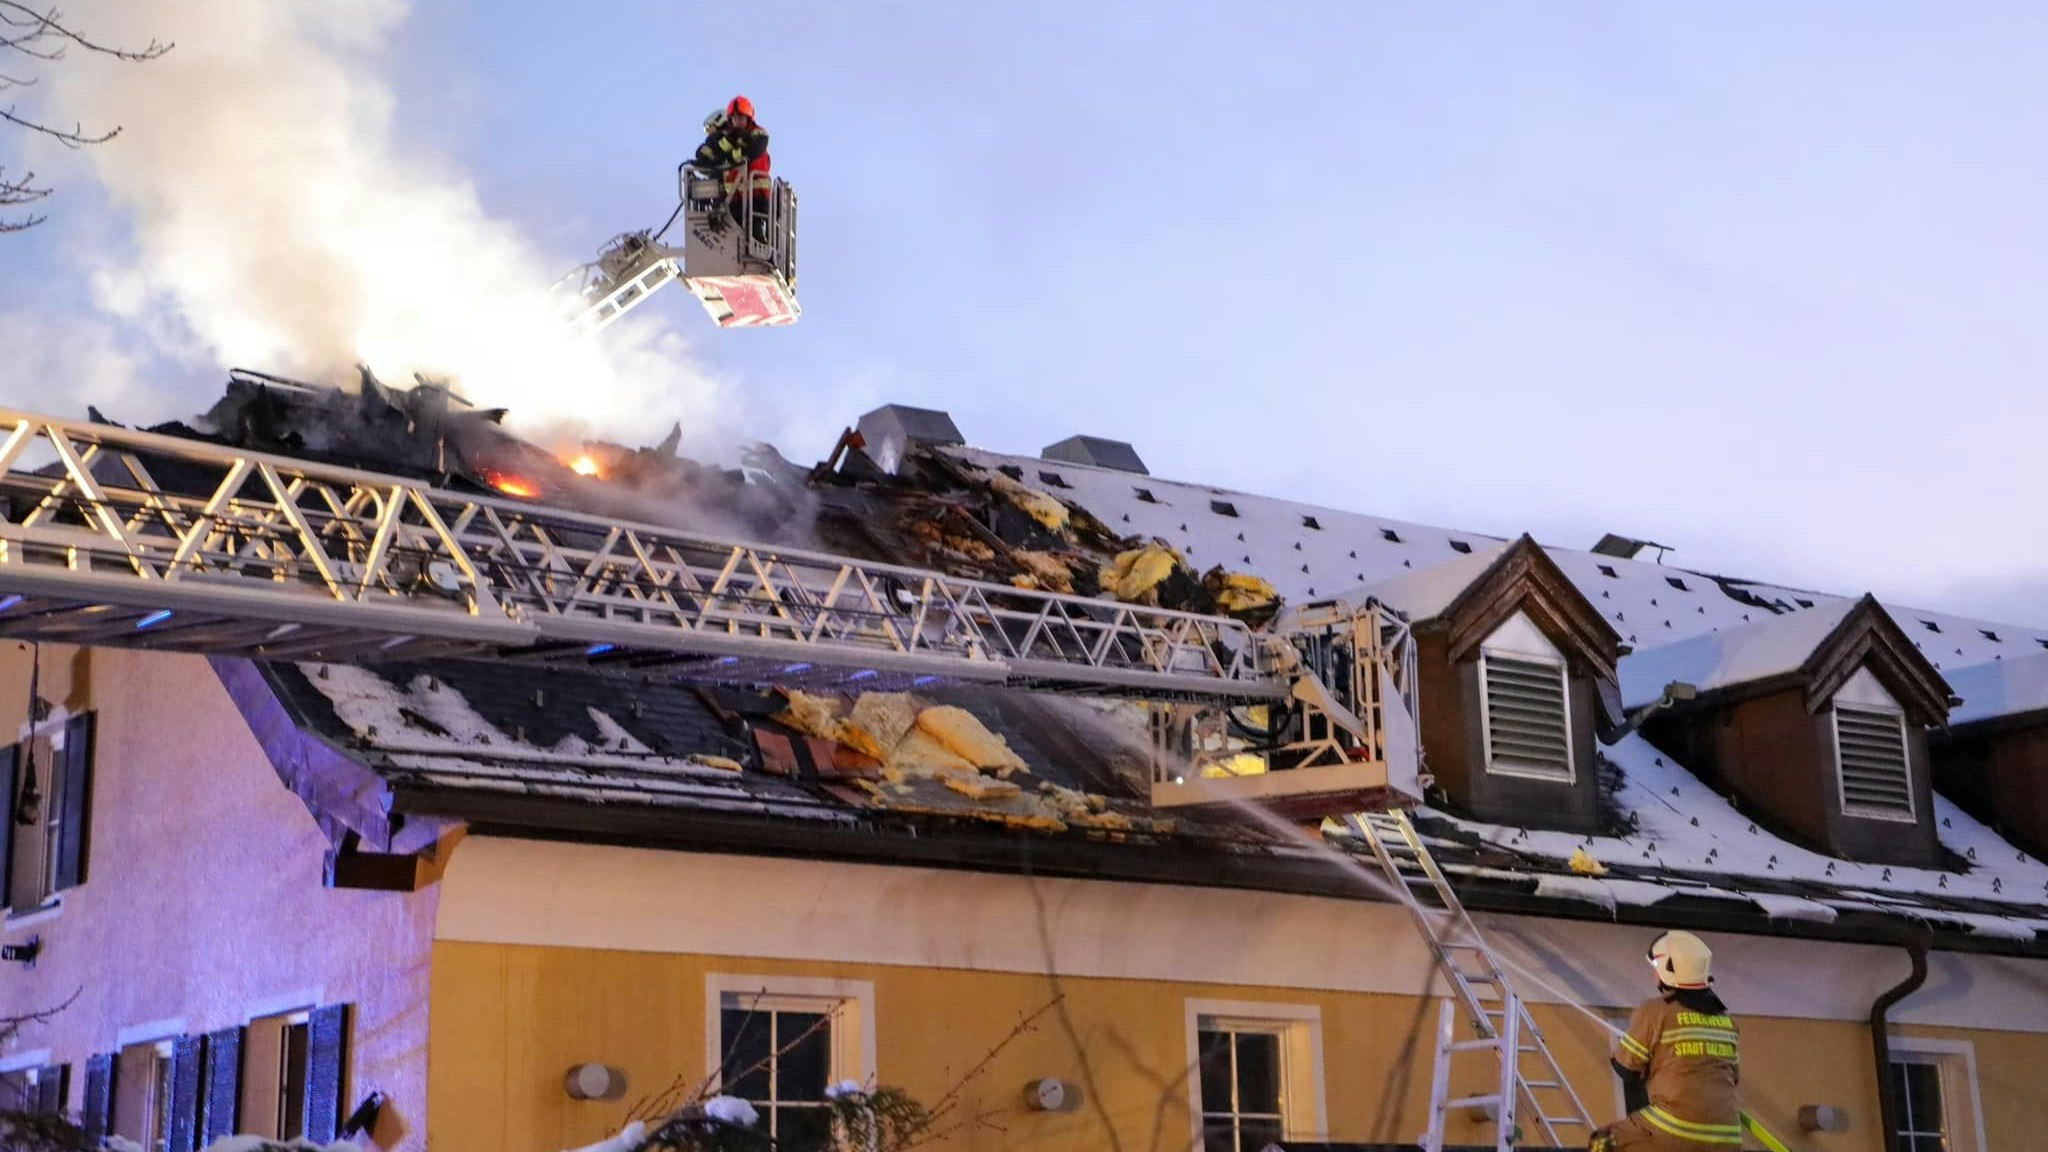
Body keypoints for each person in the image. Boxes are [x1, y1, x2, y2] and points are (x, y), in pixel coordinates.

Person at [1590, 930, 1744, 1151]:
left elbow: (1626, 1069)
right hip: (1727, 1134)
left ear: (1667, 968)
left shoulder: (1655, 1011)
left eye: (1655, 967)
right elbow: (1733, 1077)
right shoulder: (1727, 1021)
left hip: (1675, 1126)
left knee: (1602, 1141)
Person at [693, 95, 771, 239]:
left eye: (741, 118)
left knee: (756, 235)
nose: (738, 122)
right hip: (735, 200)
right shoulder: (727, 137)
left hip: (756, 199)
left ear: (748, 118)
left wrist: (731, 156)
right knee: (733, 237)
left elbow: (753, 150)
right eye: (735, 118)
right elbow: (712, 153)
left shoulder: (759, 133)